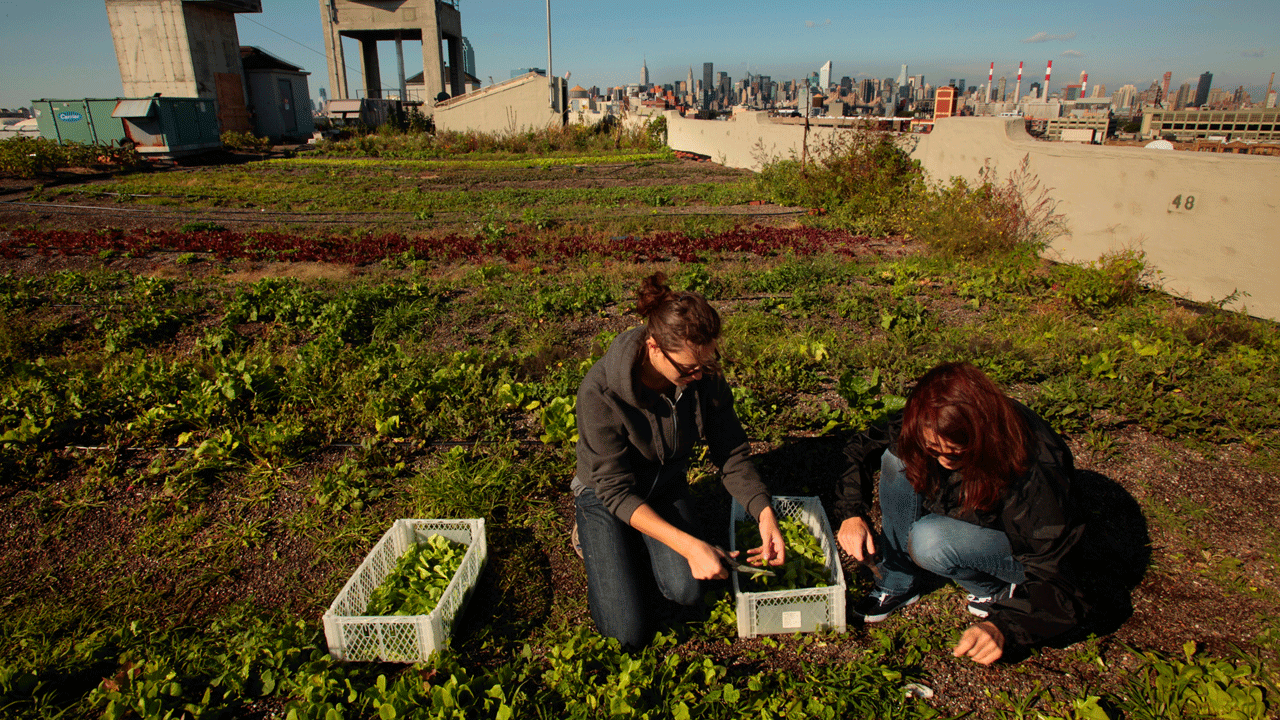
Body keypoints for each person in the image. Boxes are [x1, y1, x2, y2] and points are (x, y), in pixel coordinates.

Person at [573, 272, 785, 649]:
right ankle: (599, 535)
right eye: (688, 368)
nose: (698, 375)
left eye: (705, 363)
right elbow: (615, 490)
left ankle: (639, 540)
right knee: (626, 634)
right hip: (606, 497)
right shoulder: (600, 390)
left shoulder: (702, 374)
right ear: (654, 347)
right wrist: (690, 546)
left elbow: (730, 451)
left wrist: (763, 511)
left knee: (687, 591)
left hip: (665, 486)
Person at [834, 361, 1086, 665]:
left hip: (1016, 543)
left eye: (954, 454)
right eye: (933, 450)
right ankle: (897, 580)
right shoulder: (932, 417)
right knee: (895, 457)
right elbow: (860, 447)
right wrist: (852, 513)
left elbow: (1062, 578)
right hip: (971, 509)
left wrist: (1005, 626)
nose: (941, 460)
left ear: (981, 435)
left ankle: (998, 590)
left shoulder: (1033, 468)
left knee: (931, 541)